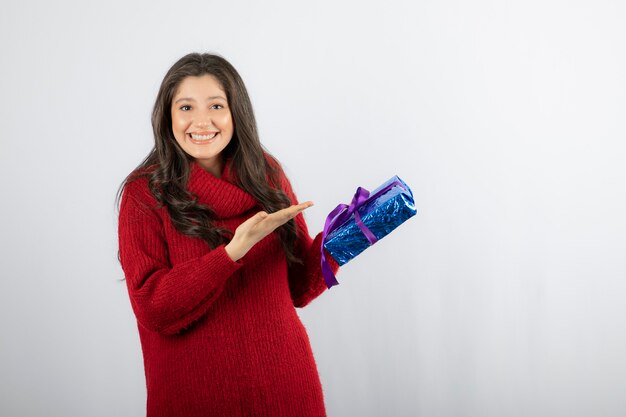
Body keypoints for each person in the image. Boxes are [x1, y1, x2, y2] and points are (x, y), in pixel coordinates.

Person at [115, 52, 340, 417]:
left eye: (216, 105)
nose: (201, 121)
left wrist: (346, 239)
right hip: (194, 401)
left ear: (236, 112)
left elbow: (300, 287)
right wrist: (231, 253)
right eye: (186, 107)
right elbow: (153, 308)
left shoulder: (267, 175)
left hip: (288, 392)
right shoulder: (145, 193)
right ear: (167, 116)